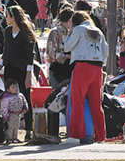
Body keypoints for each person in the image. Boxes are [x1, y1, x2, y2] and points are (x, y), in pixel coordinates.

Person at [63, 11, 107, 144]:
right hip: (97, 68)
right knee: (96, 104)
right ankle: (101, 137)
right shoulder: (98, 31)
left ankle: (75, 135)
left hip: (82, 67)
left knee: (77, 102)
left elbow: (67, 47)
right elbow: (105, 52)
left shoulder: (78, 29)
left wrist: (70, 32)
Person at [0, 5, 36, 142]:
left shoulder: (26, 31)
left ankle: (28, 130)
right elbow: (6, 51)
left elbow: (29, 56)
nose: (5, 18)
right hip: (9, 68)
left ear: (13, 17)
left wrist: (28, 75)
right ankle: (9, 131)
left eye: (7, 16)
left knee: (25, 97)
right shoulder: (8, 31)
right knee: (8, 98)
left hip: (22, 69)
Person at [46, 8, 75, 89]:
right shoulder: (55, 32)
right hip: (57, 69)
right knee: (57, 95)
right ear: (70, 20)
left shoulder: (72, 33)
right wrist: (67, 56)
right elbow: (51, 54)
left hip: (68, 68)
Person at [0, 79, 28, 144]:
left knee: (17, 126)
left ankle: (15, 137)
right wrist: (5, 116)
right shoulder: (7, 97)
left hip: (18, 114)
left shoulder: (20, 95)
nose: (16, 88)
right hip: (11, 114)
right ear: (8, 90)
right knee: (10, 127)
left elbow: (25, 102)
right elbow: (4, 107)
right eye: (13, 87)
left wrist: (25, 108)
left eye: (16, 86)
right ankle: (9, 138)